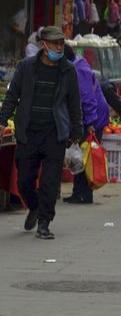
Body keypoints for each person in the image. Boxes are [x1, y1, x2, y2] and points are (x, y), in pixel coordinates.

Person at [0, 27, 83, 239]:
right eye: (55, 43)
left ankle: (45, 222)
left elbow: (74, 102)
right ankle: (35, 207)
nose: (59, 47)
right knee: (24, 181)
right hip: (28, 132)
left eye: (62, 43)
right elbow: (12, 96)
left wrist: (76, 129)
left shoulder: (68, 70)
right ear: (43, 45)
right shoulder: (26, 67)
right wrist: (2, 120)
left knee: (50, 182)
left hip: (55, 134)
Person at [64, 45, 110, 205]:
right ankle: (78, 192)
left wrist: (90, 122)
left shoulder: (79, 70)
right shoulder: (75, 66)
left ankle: (85, 194)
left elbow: (87, 98)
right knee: (80, 153)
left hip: (93, 116)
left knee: (86, 155)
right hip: (86, 116)